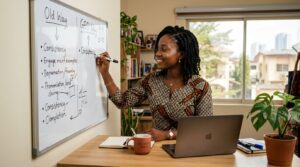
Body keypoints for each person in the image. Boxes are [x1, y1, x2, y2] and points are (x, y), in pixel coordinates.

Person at [96, 25, 213, 141]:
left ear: (181, 54)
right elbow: (122, 101)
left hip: (189, 151)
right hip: (157, 152)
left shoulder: (201, 87)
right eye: (157, 49)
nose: (157, 53)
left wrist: (167, 135)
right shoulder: (151, 81)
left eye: (164, 49)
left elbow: (205, 129)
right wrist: (105, 73)